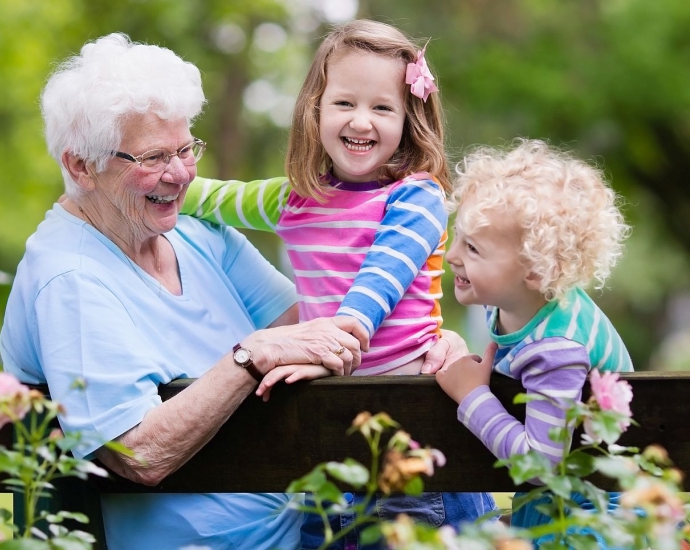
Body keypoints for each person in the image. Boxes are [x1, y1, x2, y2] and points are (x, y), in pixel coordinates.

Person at [0, 33, 375, 550]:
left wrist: (420, 344)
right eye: (152, 157)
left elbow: (316, 326)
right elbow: (138, 454)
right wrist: (249, 357)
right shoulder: (70, 280)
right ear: (80, 166)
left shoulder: (195, 232)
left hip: (311, 529)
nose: (179, 175)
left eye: (185, 148)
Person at [180, 19, 496, 550]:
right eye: (345, 103)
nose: (361, 121)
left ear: (408, 119)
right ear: (315, 111)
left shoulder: (416, 200)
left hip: (413, 440)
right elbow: (214, 198)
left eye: (382, 108)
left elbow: (374, 290)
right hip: (331, 443)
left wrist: (329, 347)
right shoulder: (295, 198)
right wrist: (160, 185)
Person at [435, 139, 633, 547]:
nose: (453, 255)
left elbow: (541, 466)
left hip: (588, 523)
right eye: (458, 238)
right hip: (566, 508)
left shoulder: (557, 346)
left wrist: (472, 396)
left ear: (537, 272)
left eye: (472, 247)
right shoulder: (520, 308)